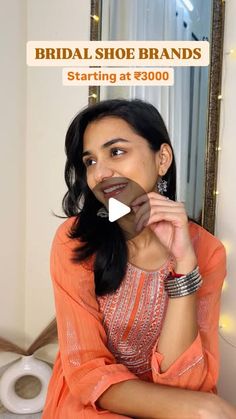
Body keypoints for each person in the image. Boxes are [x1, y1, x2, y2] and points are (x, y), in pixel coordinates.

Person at [42, 99, 236, 419]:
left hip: (174, 402)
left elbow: (184, 378)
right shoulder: (75, 241)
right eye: (90, 161)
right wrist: (204, 408)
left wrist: (184, 264)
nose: (101, 173)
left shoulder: (208, 251)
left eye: (116, 152)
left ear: (162, 159)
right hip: (93, 403)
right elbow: (86, 371)